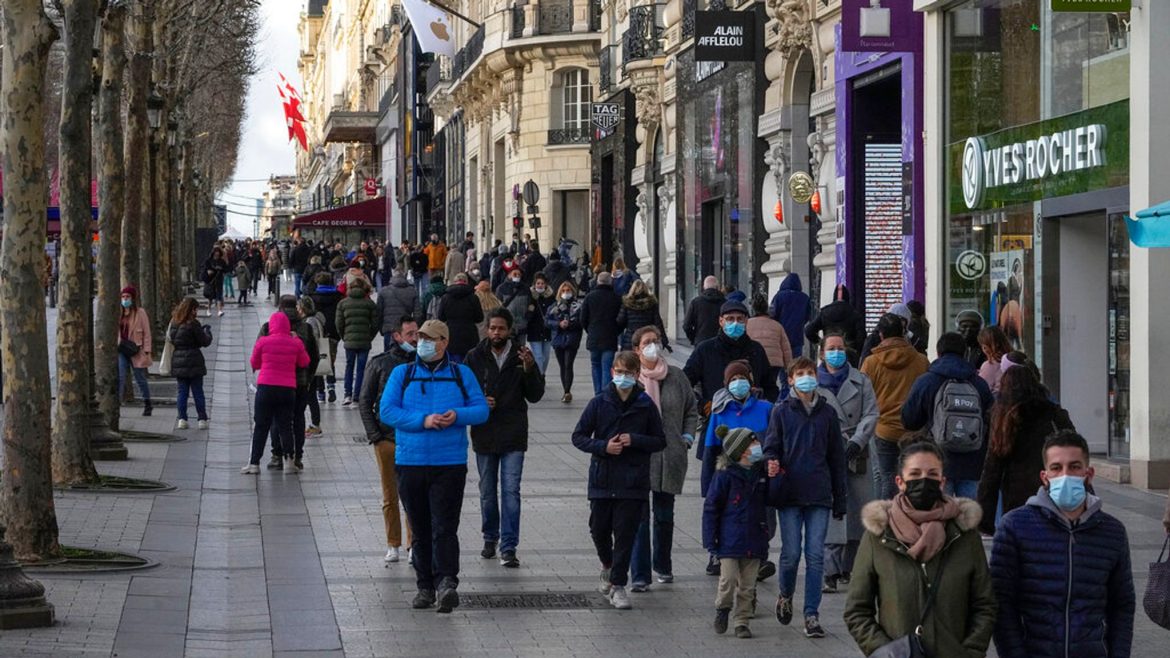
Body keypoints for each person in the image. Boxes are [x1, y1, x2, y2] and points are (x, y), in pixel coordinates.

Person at [990, 431, 1134, 658]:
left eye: (1075, 467)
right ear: (1044, 476)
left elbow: (1122, 605)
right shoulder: (1015, 527)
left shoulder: (1112, 532)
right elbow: (1001, 604)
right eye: (1056, 468)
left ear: (1089, 474)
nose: (1065, 475)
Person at [844, 441, 996, 657]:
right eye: (915, 474)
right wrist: (884, 651)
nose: (924, 481)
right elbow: (856, 610)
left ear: (942, 482)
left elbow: (984, 604)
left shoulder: (964, 535)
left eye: (932, 474)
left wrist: (970, 651)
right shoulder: (879, 536)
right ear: (900, 482)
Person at [379, 319, 490, 613]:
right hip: (411, 461)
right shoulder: (402, 374)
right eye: (420, 338)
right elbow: (387, 410)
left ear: (444, 342)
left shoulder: (460, 373)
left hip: (449, 462)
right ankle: (424, 586)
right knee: (420, 528)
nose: (422, 343)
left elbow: (481, 411)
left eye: (430, 338)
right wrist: (422, 421)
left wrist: (459, 415)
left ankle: (446, 583)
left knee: (445, 526)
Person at [571, 351, 667, 610]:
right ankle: (607, 565)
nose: (623, 377)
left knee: (625, 534)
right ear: (612, 372)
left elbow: (660, 440)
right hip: (602, 478)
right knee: (598, 529)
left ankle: (618, 585)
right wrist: (603, 447)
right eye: (619, 372)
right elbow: (578, 436)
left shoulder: (645, 405)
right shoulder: (599, 402)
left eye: (628, 373)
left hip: (633, 481)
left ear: (637, 375)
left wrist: (634, 440)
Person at [763, 357, 847, 639]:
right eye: (800, 374)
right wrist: (772, 461)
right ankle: (785, 594)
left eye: (810, 373)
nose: (806, 378)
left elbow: (837, 458)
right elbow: (771, 446)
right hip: (790, 493)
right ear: (790, 380)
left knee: (815, 556)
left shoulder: (827, 414)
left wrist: (840, 498)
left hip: (819, 494)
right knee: (790, 555)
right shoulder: (781, 411)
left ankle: (811, 614)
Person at [464, 309, 545, 568]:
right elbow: (463, 391)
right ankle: (490, 537)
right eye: (493, 328)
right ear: (487, 329)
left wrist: (531, 369)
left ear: (510, 329)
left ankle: (508, 546)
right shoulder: (474, 356)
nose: (496, 332)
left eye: (501, 328)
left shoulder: (522, 356)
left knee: (511, 491)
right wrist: (478, 402)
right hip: (485, 432)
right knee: (487, 491)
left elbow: (535, 395)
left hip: (513, 432)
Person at [629, 326, 698, 590]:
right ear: (637, 349)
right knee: (640, 516)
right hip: (639, 456)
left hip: (670, 455)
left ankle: (663, 565)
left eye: (656, 341)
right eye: (647, 342)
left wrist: (687, 437)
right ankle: (640, 575)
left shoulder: (677, 377)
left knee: (664, 514)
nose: (653, 346)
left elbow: (691, 410)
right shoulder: (632, 379)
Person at [976, 361, 1075, 534]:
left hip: (1016, 496)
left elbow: (992, 471)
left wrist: (985, 520)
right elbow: (1073, 445)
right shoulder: (1054, 413)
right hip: (1052, 490)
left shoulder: (1004, 420)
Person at [818, 332, 879, 593]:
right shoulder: (812, 382)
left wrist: (857, 441)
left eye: (840, 348)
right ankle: (829, 571)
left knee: (857, 512)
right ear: (822, 352)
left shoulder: (861, 380)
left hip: (858, 453)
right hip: (826, 453)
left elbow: (871, 412)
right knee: (833, 511)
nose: (836, 352)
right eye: (831, 348)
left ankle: (850, 567)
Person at [902, 332, 995, 499]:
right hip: (972, 463)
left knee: (937, 516)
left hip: (936, 462)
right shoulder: (979, 383)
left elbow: (909, 421)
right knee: (968, 519)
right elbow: (991, 418)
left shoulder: (926, 381)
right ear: (965, 352)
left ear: (938, 353)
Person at [359, 315, 417, 563]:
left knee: (413, 495)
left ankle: (413, 543)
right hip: (386, 438)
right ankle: (393, 543)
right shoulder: (380, 363)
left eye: (417, 333)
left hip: (413, 438)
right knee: (389, 494)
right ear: (397, 336)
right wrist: (375, 436)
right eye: (410, 334)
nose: (415, 339)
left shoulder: (423, 364)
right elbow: (365, 400)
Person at [703, 427, 769, 639]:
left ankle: (742, 621)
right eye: (753, 444)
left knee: (748, 586)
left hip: (755, 537)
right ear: (741, 451)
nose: (758, 446)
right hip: (729, 539)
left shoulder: (761, 474)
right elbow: (711, 508)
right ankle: (722, 608)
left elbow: (774, 496)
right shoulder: (724, 477)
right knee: (728, 580)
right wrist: (710, 539)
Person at [860, 313, 930, 500]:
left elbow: (862, 396)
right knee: (913, 476)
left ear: (881, 335)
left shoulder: (871, 362)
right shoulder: (921, 360)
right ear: (904, 333)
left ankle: (885, 522)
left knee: (885, 478)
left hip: (883, 429)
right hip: (914, 430)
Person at [684, 301, 777, 424]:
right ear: (721, 321)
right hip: (717, 419)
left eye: (740, 319)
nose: (735, 323)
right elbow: (684, 382)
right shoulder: (705, 349)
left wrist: (764, 406)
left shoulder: (756, 349)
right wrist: (703, 406)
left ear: (746, 321)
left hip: (751, 421)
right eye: (730, 319)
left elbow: (770, 385)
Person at [242, 311, 310, 474]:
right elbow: (304, 362)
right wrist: (297, 341)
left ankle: (254, 464)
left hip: (266, 387)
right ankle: (289, 462)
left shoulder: (263, 341)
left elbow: (254, 363)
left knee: (261, 426)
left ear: (271, 326)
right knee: (285, 426)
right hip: (287, 390)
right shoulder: (295, 343)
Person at [259, 296, 320, 471]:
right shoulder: (306, 328)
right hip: (299, 383)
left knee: (277, 420)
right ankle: (297, 456)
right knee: (298, 418)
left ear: (280, 308)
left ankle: (277, 455)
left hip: (275, 382)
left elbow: (259, 352)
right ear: (297, 307)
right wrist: (308, 378)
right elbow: (314, 357)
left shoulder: (267, 328)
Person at [168, 297, 212, 430]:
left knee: (182, 392)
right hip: (194, 360)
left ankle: (182, 419)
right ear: (192, 309)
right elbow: (204, 341)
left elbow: (171, 339)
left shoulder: (174, 323)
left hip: (179, 360)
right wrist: (207, 332)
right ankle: (202, 419)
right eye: (196, 309)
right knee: (198, 391)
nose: (196, 311)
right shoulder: (194, 324)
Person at [335, 278, 379, 407]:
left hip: (349, 340)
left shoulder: (343, 303)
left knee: (349, 366)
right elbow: (375, 323)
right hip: (365, 340)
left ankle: (347, 394)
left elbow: (339, 323)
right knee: (361, 369)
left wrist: (344, 336)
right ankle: (357, 396)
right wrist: (370, 336)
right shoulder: (369, 304)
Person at [579, 271, 622, 395]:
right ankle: (606, 393)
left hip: (594, 336)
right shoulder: (616, 298)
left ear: (597, 281)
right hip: (610, 337)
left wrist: (590, 330)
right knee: (607, 366)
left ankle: (598, 393)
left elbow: (583, 318)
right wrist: (616, 331)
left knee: (595, 365)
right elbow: (621, 320)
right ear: (611, 282)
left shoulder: (589, 297)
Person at [747, 293, 792, 398]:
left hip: (753, 361)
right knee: (770, 385)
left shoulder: (747, 324)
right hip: (774, 362)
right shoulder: (777, 325)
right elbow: (786, 348)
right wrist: (789, 366)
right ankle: (770, 406)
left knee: (754, 385)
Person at [804, 284, 866, 359]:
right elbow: (861, 337)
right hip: (849, 353)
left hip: (829, 351)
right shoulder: (854, 313)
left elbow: (808, 331)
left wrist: (821, 343)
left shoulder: (824, 312)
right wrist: (856, 351)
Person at [118, 286, 153, 415]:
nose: (125, 299)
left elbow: (147, 333)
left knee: (140, 378)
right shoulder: (118, 312)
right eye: (123, 297)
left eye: (127, 297)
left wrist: (147, 350)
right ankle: (117, 405)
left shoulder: (140, 313)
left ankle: (147, 403)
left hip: (136, 349)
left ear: (133, 298)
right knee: (120, 377)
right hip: (121, 349)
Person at [547, 281, 583, 403]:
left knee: (568, 364)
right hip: (558, 339)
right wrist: (558, 324)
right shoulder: (554, 307)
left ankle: (567, 391)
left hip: (572, 338)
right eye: (563, 291)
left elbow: (582, 321)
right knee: (562, 365)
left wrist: (570, 324)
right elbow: (547, 321)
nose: (566, 293)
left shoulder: (577, 306)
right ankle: (565, 389)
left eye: (568, 290)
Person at [308, 273, 342, 403]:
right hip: (333, 333)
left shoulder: (313, 297)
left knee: (318, 360)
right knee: (330, 360)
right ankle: (331, 386)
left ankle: (320, 391)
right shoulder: (338, 297)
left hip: (317, 332)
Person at [435, 273, 483, 364]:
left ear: (454, 282)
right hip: (470, 336)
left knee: (454, 367)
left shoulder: (445, 298)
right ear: (466, 282)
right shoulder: (473, 297)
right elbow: (479, 318)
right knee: (469, 365)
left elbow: (441, 317)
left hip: (451, 336)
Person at [299, 296, 327, 436]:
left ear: (303, 309)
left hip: (312, 362)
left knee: (310, 395)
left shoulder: (310, 322)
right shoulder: (315, 319)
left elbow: (313, 343)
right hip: (314, 361)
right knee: (311, 395)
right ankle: (314, 424)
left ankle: (315, 425)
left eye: (299, 307)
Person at [616, 279, 668, 352]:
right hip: (647, 338)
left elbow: (620, 321)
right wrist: (664, 340)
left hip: (630, 339)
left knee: (630, 360)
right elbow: (658, 322)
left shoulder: (627, 303)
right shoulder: (651, 303)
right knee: (646, 360)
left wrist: (613, 335)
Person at [769, 273, 810, 358]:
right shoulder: (805, 298)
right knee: (796, 363)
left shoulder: (779, 297)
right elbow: (808, 316)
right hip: (797, 336)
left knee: (782, 361)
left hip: (781, 335)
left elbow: (772, 315)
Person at [377, 269, 419, 351]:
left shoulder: (384, 291)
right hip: (405, 329)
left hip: (389, 328)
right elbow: (418, 313)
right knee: (406, 354)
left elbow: (379, 312)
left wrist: (381, 328)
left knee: (388, 355)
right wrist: (415, 329)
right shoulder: (412, 291)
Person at [525, 273, 556, 374]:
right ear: (534, 284)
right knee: (538, 356)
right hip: (534, 330)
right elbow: (526, 315)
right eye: (538, 283)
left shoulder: (551, 297)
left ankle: (542, 373)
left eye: (542, 283)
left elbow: (554, 312)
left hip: (547, 330)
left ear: (546, 284)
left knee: (545, 357)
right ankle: (540, 377)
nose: (540, 285)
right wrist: (530, 310)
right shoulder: (530, 296)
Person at [684, 276, 726, 345]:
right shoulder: (725, 303)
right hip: (720, 342)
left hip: (701, 341)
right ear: (718, 287)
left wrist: (694, 338)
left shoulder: (695, 302)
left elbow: (686, 325)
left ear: (704, 287)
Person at [494, 264, 530, 340]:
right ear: (509, 275)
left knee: (521, 349)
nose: (517, 276)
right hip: (507, 324)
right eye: (515, 274)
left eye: (519, 275)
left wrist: (527, 317)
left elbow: (530, 304)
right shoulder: (501, 288)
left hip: (522, 324)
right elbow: (497, 305)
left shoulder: (525, 288)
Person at [976, 326, 1013, 394]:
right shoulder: (1014, 360)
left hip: (999, 402)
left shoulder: (990, 365)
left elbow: (981, 389)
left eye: (983, 346)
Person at [202, 247, 229, 317]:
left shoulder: (221, 261)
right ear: (213, 253)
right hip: (211, 280)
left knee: (219, 295)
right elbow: (207, 269)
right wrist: (212, 270)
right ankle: (208, 310)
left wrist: (222, 269)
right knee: (210, 297)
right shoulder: (208, 261)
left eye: (218, 252)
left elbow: (226, 269)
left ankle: (219, 310)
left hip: (219, 280)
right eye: (216, 252)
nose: (217, 254)